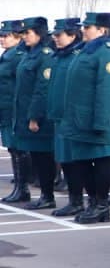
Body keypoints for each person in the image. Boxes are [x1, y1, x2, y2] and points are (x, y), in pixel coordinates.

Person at [61, 12, 110, 224]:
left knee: (101, 161)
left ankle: (101, 205)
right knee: (82, 163)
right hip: (80, 120)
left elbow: (108, 91)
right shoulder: (86, 52)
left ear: (102, 30)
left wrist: (101, 122)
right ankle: (93, 203)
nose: (83, 30)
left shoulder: (107, 54)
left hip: (96, 121)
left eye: (88, 27)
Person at [11, 18, 56, 209]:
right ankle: (45, 195)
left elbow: (42, 90)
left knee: (44, 156)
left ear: (39, 33)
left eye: (28, 33)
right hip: (26, 113)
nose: (24, 37)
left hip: (40, 118)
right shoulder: (30, 54)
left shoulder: (45, 56)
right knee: (37, 155)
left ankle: (48, 196)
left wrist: (34, 117)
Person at [47, 19, 86, 217]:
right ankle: (74, 200)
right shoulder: (59, 56)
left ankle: (78, 200)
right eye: (54, 35)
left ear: (72, 35)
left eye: (59, 34)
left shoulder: (76, 56)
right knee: (65, 159)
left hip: (71, 117)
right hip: (59, 117)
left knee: (74, 161)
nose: (55, 38)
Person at [0, 20, 31, 204]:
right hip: (6, 109)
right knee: (13, 149)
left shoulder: (18, 55)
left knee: (19, 149)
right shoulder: (8, 55)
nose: (2, 39)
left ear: (17, 36)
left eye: (6, 35)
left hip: (14, 110)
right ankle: (19, 187)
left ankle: (23, 188)